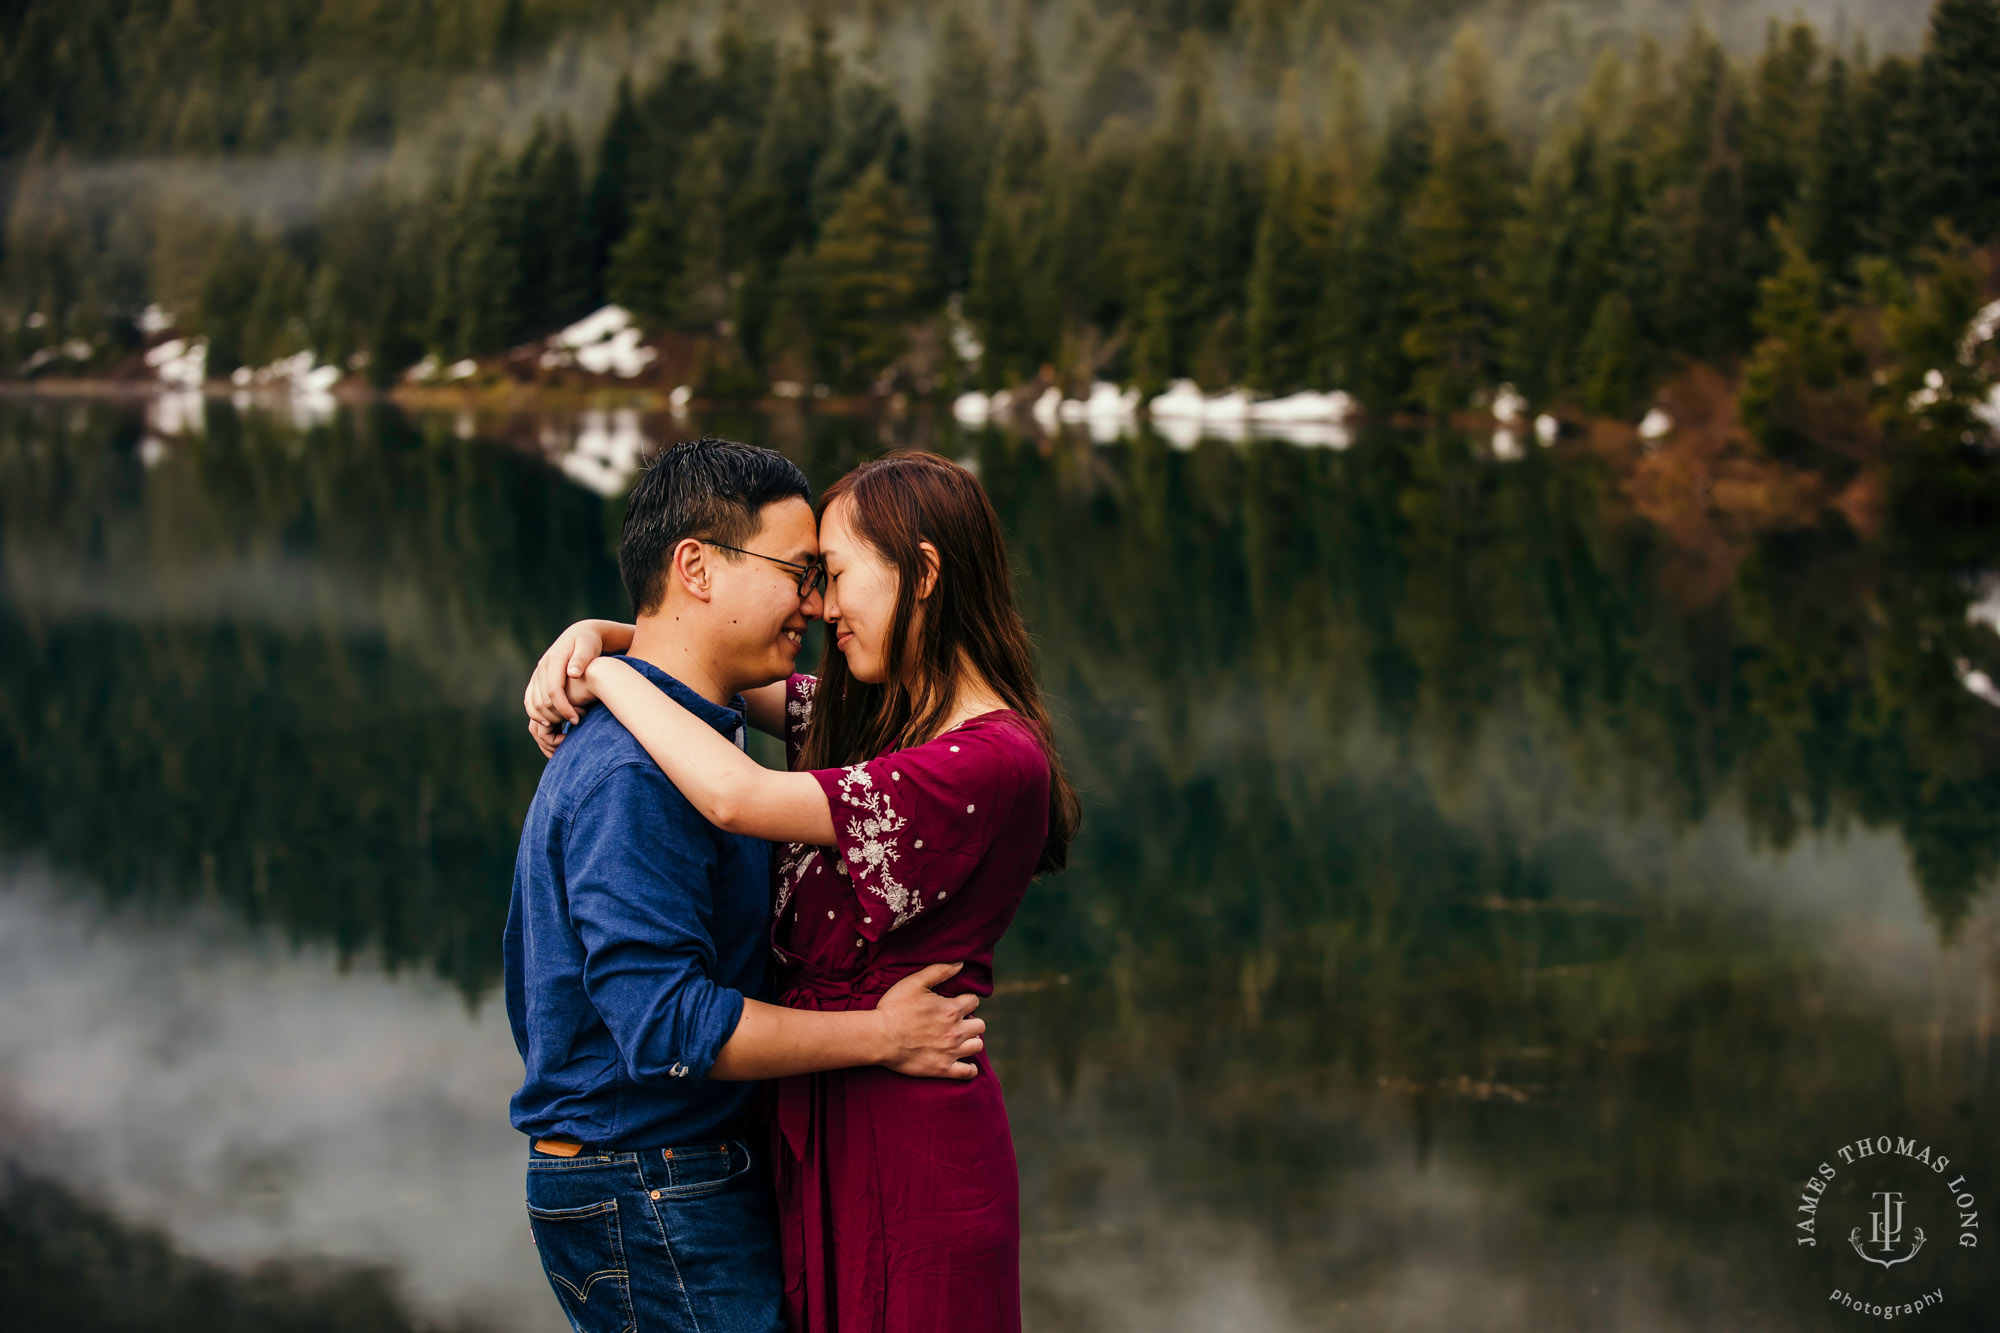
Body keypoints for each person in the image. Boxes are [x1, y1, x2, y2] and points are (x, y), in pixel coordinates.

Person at [525, 448, 1081, 1333]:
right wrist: (600, 635)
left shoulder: (981, 758)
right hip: (808, 1117)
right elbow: (716, 679)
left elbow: (737, 792)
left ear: (924, 574)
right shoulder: (885, 723)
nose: (819, 604)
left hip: (900, 1121)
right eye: (803, 574)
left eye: (832, 574)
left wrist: (604, 670)